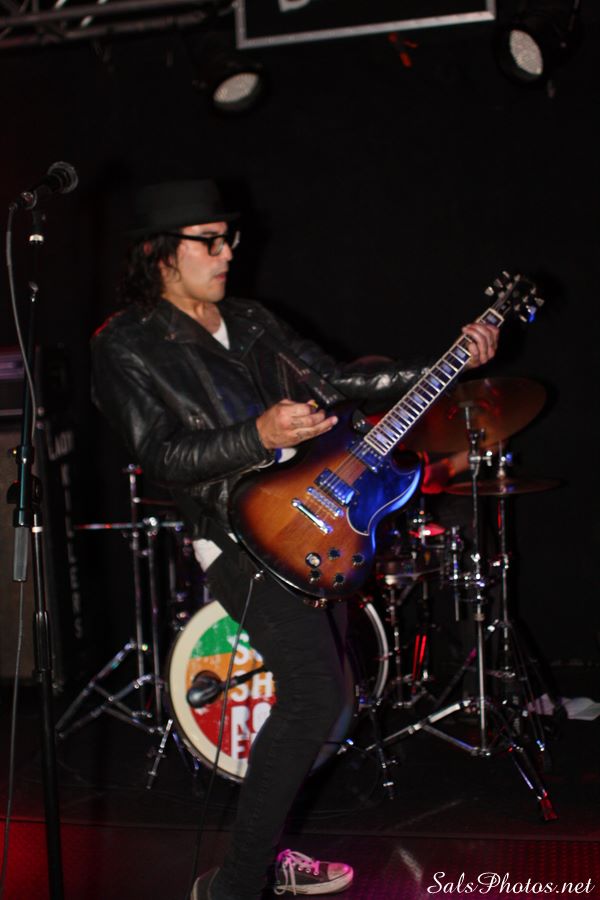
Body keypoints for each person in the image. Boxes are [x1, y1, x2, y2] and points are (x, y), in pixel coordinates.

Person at [91, 178, 499, 900]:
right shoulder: (126, 341)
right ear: (159, 252)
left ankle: (264, 850)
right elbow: (161, 454)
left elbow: (339, 380)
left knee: (328, 703)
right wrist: (258, 433)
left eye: (229, 239)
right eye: (209, 242)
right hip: (237, 535)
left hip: (311, 523)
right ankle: (235, 883)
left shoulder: (249, 319)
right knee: (315, 697)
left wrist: (448, 363)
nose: (228, 253)